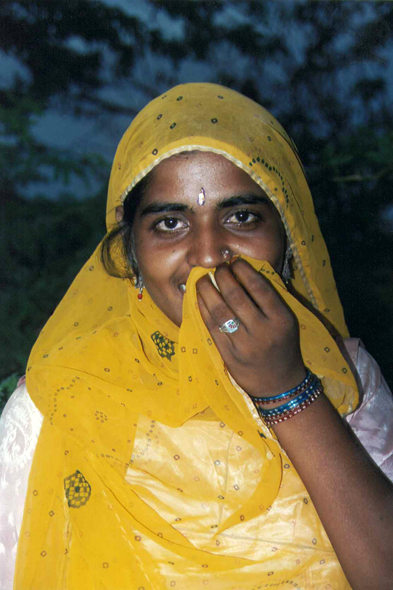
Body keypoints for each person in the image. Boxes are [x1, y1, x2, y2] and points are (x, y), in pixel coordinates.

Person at [1, 83, 393, 589]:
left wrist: (287, 389)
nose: (208, 255)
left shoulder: (347, 380)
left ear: (288, 237)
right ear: (131, 253)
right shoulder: (59, 399)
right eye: (169, 223)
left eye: (241, 217)